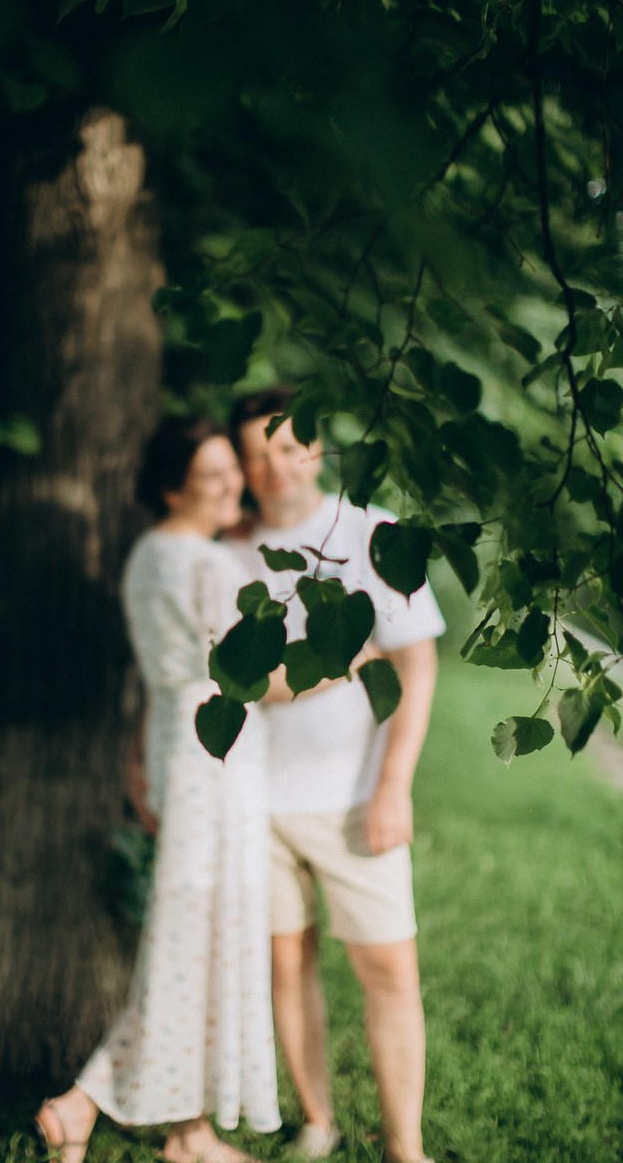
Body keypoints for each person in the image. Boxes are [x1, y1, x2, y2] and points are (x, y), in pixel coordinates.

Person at [35, 415, 326, 1163]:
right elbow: (258, 678)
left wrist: (140, 753)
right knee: (193, 943)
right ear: (173, 489)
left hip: (178, 742)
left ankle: (189, 1132)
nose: (234, 484)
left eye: (232, 468)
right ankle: (83, 1104)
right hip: (214, 762)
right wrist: (345, 662)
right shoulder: (205, 564)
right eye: (213, 475)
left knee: (199, 941)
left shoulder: (149, 556)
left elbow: (166, 670)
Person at [227, 388, 445, 1163]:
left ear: (316, 448)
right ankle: (318, 1120)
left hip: (355, 798)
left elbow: (417, 666)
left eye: (288, 448)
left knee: (388, 967)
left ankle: (404, 1147)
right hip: (254, 801)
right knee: (288, 965)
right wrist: (345, 660)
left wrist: (394, 785)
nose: (275, 467)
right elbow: (233, 681)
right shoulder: (229, 551)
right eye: (256, 455)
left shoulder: (370, 533)